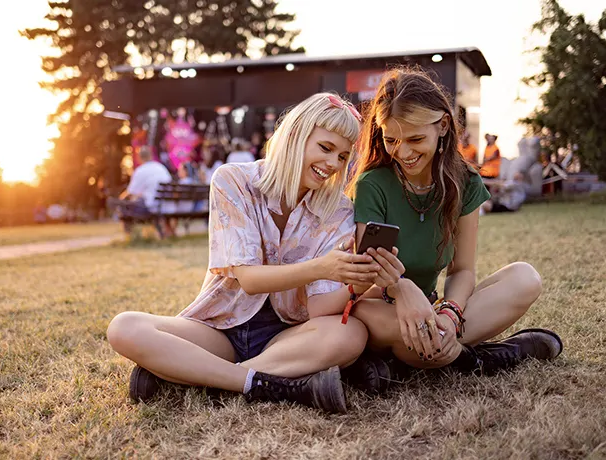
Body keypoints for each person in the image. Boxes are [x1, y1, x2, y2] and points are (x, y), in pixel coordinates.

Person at [106, 93, 376, 413]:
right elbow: (248, 278)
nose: (333, 164)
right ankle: (265, 383)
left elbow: (319, 309)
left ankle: (194, 374)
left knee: (351, 335)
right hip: (219, 329)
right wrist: (322, 267)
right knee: (124, 327)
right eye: (325, 147)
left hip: (287, 335)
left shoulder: (339, 210)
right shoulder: (234, 179)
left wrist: (360, 283)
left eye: (343, 157)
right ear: (294, 137)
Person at [345, 68, 560, 393]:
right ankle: (480, 359)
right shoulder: (373, 184)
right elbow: (371, 271)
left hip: (432, 309)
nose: (403, 152)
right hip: (379, 306)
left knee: (525, 278)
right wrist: (402, 290)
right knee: (408, 334)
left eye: (416, 139)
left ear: (443, 126)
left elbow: (462, 270)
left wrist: (450, 313)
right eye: (391, 139)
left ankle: (425, 353)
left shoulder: (465, 182)